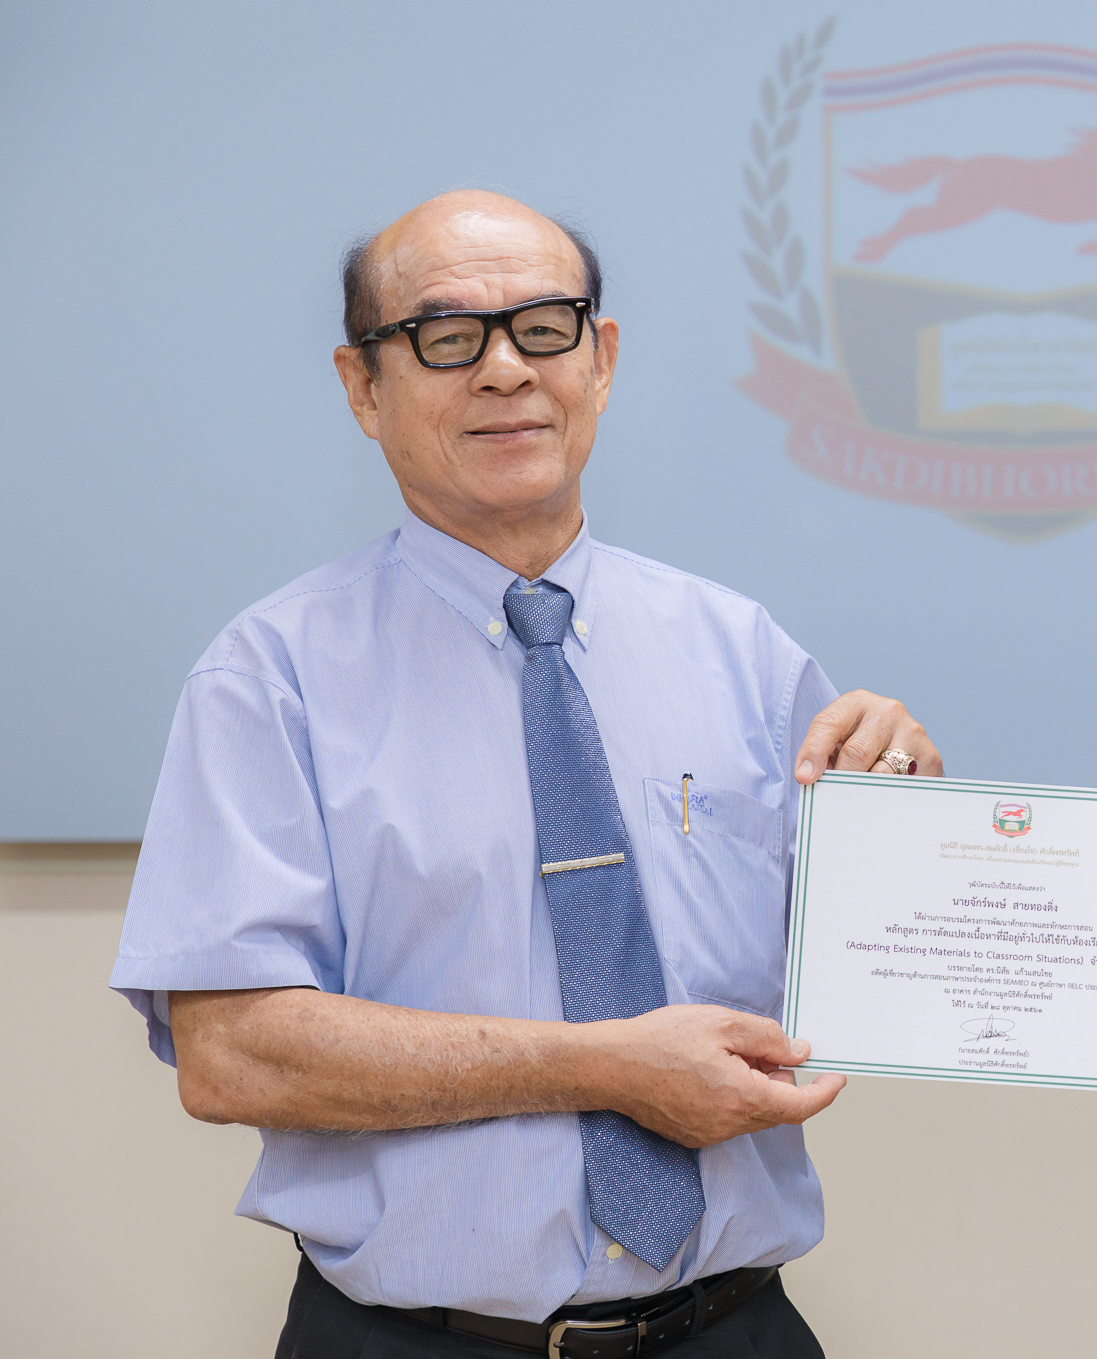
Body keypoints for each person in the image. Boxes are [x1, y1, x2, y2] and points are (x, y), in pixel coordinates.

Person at [110, 190, 942, 1358]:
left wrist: (909, 819)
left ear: (600, 361)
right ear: (362, 386)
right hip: (413, 1340)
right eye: (446, 337)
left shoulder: (743, 651)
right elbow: (232, 1053)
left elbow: (883, 975)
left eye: (544, 329)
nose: (505, 370)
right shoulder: (269, 677)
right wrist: (604, 1068)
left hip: (735, 1328)